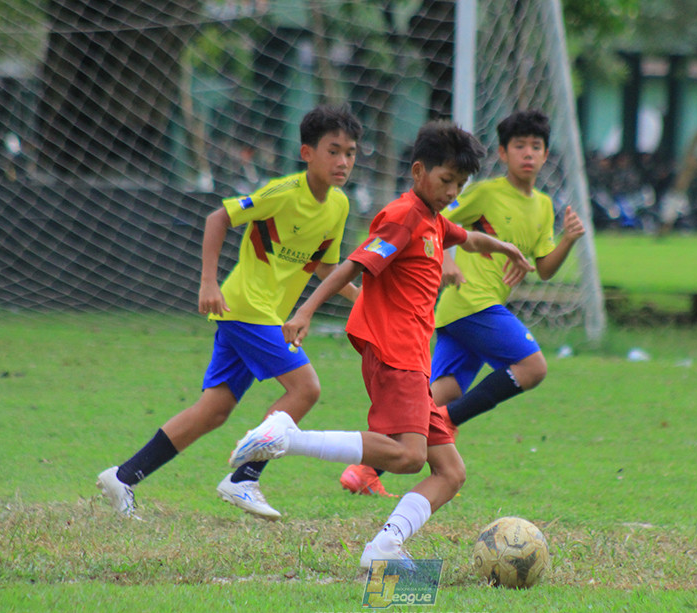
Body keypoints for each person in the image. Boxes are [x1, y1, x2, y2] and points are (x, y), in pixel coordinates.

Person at [227, 120, 534, 567]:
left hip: (412, 355)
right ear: (417, 172)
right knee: (409, 457)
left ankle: (384, 547)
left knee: (450, 472)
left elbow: (468, 237)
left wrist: (507, 248)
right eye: (446, 180)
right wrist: (306, 311)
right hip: (396, 351)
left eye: (460, 184)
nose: (452, 191)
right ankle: (284, 438)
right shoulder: (404, 216)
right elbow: (352, 265)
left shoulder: (433, 221)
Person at [97, 105, 363, 520]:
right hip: (245, 309)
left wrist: (359, 298)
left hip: (262, 315)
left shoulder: (339, 206)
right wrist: (208, 282)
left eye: (350, 152)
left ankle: (124, 476)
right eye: (334, 151)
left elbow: (325, 265)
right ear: (307, 153)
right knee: (305, 389)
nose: (343, 161)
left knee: (214, 410)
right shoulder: (283, 192)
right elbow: (218, 218)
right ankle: (245, 477)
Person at [338, 109, 586, 496]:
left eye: (536, 147)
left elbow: (544, 268)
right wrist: (447, 261)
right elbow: (438, 222)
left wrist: (568, 239)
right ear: (503, 153)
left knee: (433, 397)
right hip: (472, 302)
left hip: (457, 313)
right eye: (519, 145)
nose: (528, 154)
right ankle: (451, 420)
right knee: (533, 367)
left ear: (546, 154)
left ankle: (364, 472)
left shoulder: (542, 206)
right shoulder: (483, 192)